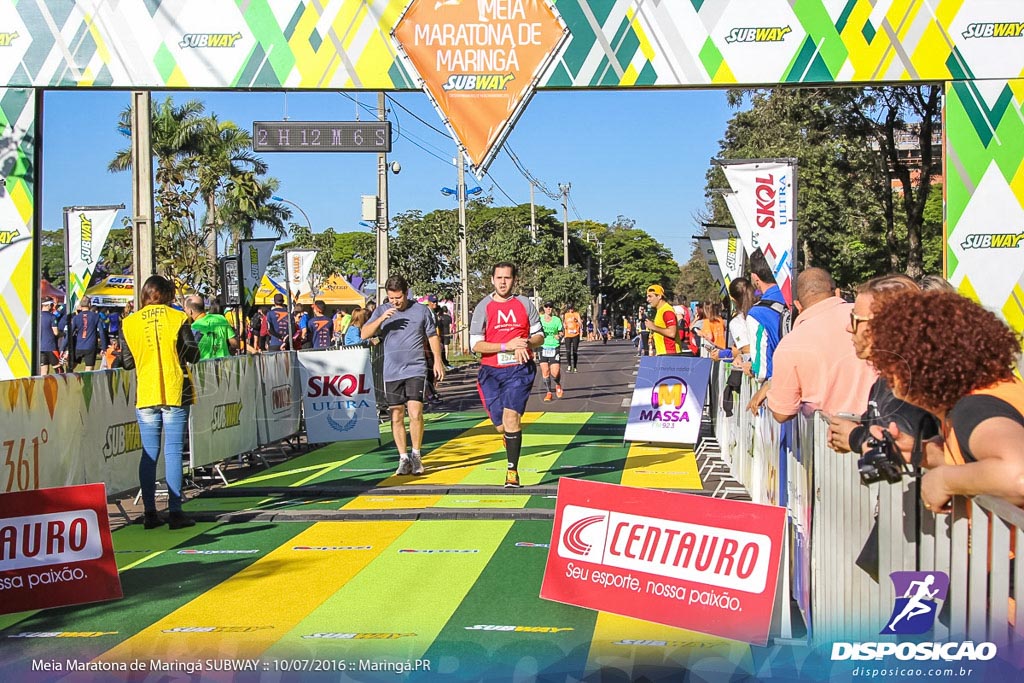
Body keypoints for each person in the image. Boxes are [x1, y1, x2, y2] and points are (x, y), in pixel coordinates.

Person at [867, 291, 1024, 512]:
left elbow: (1019, 476)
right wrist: (923, 453)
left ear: (922, 362)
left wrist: (945, 480)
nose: (884, 372)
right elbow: (977, 462)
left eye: (892, 359)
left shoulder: (975, 408)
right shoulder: (989, 393)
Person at [119, 275, 200, 530]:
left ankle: (150, 513)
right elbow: (192, 353)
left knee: (149, 452)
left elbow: (127, 362)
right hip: (176, 389)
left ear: (145, 294)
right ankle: (176, 513)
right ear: (167, 294)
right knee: (174, 450)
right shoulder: (177, 318)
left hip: (146, 392)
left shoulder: (129, 323)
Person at [826, 275, 938, 455]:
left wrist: (854, 438)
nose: (848, 327)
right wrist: (848, 432)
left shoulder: (915, 382)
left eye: (855, 319)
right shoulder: (887, 377)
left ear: (885, 326)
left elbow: (902, 449)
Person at [765, 267, 877, 421]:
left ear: (798, 305)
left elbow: (782, 412)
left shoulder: (789, 345)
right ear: (837, 293)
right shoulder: (869, 317)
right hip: (888, 428)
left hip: (831, 435)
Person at [362, 275, 445, 476]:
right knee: (396, 414)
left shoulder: (421, 311)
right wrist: (382, 319)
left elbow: (432, 335)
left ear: (406, 293)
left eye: (398, 298)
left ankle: (416, 454)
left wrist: (438, 360)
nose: (395, 302)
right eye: (391, 298)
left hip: (415, 369)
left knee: (415, 413)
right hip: (391, 371)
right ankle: (403, 457)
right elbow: (364, 334)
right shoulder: (382, 311)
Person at [470, 262, 544, 488]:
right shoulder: (484, 306)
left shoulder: (524, 304)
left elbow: (539, 336)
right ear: (492, 280)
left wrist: (525, 343)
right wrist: (506, 346)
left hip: (519, 369)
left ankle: (512, 471)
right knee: (501, 425)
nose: (503, 282)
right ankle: (509, 439)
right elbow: (475, 345)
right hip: (491, 371)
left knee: (512, 418)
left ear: (515, 280)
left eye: (507, 278)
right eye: (499, 277)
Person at [746, 247, 788, 412]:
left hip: (776, 397)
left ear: (755, 277)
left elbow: (761, 369)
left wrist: (751, 368)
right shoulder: (798, 298)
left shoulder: (757, 313)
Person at [184, 295, 238, 360]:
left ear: (190, 311)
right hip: (224, 363)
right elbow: (234, 343)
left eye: (185, 309)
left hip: (204, 366)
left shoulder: (193, 328)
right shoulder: (220, 318)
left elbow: (190, 352)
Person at [69, 296, 107, 372]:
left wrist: (64, 347)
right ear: (89, 304)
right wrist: (104, 347)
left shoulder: (76, 318)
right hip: (90, 346)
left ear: (80, 306)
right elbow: (101, 332)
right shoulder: (96, 316)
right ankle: (87, 383)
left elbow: (70, 333)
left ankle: (67, 378)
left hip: (79, 346)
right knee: (89, 368)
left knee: (72, 365)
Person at [538, 302, 564, 401]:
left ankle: (557, 384)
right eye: (546, 307)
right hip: (542, 347)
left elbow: (561, 332)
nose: (548, 308)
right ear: (544, 308)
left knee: (555, 372)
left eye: (550, 307)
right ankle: (549, 393)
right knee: (545, 371)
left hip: (554, 347)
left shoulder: (556, 320)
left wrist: (559, 336)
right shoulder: (539, 319)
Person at [644, 284, 679, 355]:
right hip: (663, 353)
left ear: (659, 296)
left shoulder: (667, 311)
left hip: (670, 354)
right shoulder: (660, 310)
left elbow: (672, 333)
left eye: (650, 296)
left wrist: (654, 327)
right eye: (647, 297)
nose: (647, 299)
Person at [39, 297, 61, 375]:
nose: (52, 307)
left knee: (44, 371)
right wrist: (61, 333)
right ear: (48, 305)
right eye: (51, 305)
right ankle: (62, 385)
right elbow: (56, 332)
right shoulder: (52, 317)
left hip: (40, 348)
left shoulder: (37, 316)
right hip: (51, 347)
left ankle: (42, 387)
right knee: (59, 370)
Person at [563, 304, 583, 370]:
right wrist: (564, 326)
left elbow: (581, 325)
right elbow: (564, 323)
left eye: (572, 308)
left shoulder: (576, 314)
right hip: (567, 335)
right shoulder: (566, 315)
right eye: (569, 309)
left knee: (574, 351)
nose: (571, 310)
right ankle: (569, 365)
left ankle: (574, 366)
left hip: (575, 334)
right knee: (568, 351)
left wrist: (576, 321)